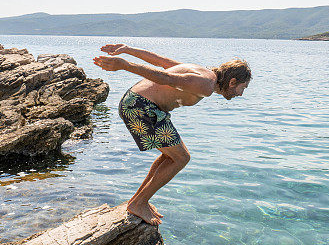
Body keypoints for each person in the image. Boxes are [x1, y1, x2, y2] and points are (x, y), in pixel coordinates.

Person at [93, 44, 251, 226]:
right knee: (181, 158)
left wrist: (127, 49)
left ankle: (139, 200)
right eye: (243, 88)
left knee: (174, 156)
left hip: (141, 105)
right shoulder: (205, 84)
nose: (241, 94)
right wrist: (124, 64)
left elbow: (161, 62)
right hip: (140, 107)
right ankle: (138, 203)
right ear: (232, 82)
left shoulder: (203, 73)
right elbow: (164, 77)